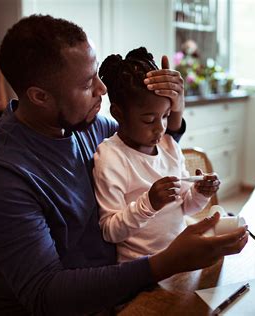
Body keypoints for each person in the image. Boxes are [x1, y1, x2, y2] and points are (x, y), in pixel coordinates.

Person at [0, 15, 248, 315]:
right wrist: (167, 262)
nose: (102, 89)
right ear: (40, 96)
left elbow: (147, 143)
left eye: (96, 74)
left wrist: (174, 106)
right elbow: (46, 294)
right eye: (87, 83)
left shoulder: (89, 126)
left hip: (118, 294)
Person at [94, 47, 220, 262]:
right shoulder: (110, 158)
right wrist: (149, 203)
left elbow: (186, 208)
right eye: (148, 120)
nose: (160, 128)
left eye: (165, 116)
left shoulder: (169, 145)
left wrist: (200, 193)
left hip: (180, 256)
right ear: (118, 114)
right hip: (140, 268)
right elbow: (110, 231)